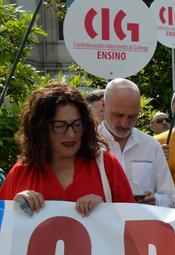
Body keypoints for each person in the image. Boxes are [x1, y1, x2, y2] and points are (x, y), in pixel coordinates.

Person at [0, 81, 134, 214]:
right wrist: (13, 209)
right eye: (60, 125)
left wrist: (106, 211)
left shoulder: (106, 165)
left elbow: (133, 223)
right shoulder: (21, 172)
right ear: (41, 128)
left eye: (77, 124)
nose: (71, 134)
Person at [99, 78, 175, 207]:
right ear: (103, 105)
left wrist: (155, 201)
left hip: (140, 225)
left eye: (132, 116)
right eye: (118, 115)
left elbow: (170, 197)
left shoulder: (151, 146)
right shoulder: (88, 144)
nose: (124, 123)